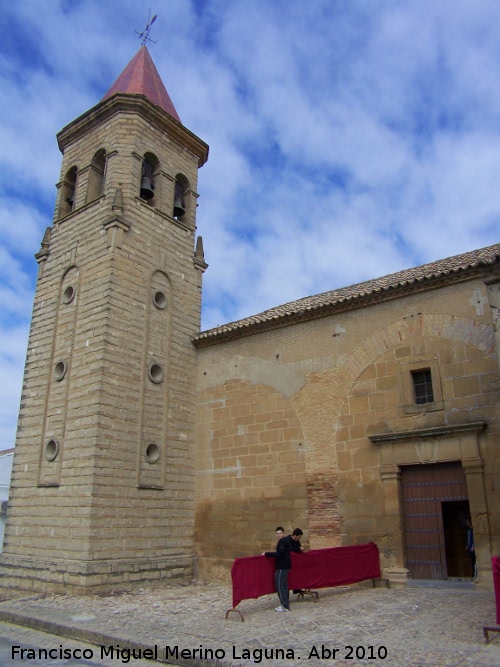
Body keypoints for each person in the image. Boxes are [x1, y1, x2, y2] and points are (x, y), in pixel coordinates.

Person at [264, 528, 304, 612]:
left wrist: (266, 554)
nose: (278, 535)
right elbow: (292, 549)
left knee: (280, 585)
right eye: (277, 533)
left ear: (283, 533)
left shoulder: (283, 541)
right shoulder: (285, 541)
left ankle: (284, 605)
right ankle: (285, 603)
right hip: (285, 566)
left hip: (282, 567)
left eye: (280, 533)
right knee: (284, 585)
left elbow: (279, 554)